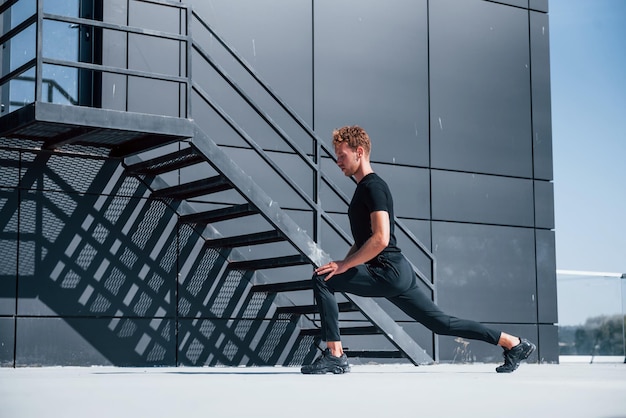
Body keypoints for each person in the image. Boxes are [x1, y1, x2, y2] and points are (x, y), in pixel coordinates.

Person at [300, 125, 535, 375]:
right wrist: (344, 263)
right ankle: (513, 343)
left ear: (359, 152)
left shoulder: (373, 187)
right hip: (397, 271)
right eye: (336, 156)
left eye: (341, 155)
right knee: (441, 323)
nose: (337, 161)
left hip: (387, 270)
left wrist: (344, 267)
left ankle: (335, 355)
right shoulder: (364, 188)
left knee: (323, 279)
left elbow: (381, 238)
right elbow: (364, 240)